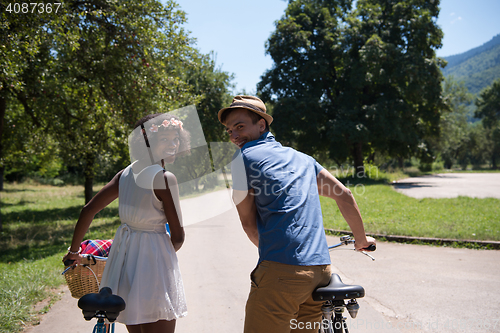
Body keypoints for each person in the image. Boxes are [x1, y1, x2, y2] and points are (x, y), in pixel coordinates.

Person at [218, 95, 376, 333]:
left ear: (261, 125)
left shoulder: (242, 160)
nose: (234, 135)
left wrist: (280, 258)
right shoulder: (303, 159)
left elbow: (249, 225)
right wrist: (362, 240)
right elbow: (343, 194)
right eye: (230, 131)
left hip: (282, 273)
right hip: (321, 271)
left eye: (240, 126)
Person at [63, 113, 189, 333]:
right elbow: (178, 237)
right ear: (147, 142)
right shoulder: (165, 179)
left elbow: (88, 211)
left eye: (175, 139)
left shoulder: (125, 174)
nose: (173, 145)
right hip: (153, 265)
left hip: (124, 263)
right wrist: (163, 259)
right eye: (164, 139)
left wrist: (74, 252)